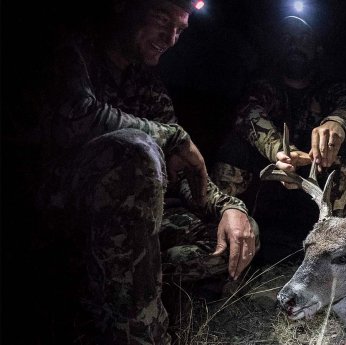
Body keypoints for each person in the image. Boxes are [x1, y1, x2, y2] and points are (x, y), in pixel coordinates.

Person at [28, 0, 259, 343]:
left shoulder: (148, 87)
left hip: (134, 228)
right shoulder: (72, 52)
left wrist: (230, 207)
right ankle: (139, 329)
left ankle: (126, 285)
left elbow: (181, 170)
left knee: (234, 236)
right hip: (62, 218)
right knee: (135, 150)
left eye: (180, 29)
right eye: (161, 18)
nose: (169, 37)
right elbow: (75, 118)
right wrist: (173, 135)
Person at [211, 16, 346, 260]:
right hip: (268, 188)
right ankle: (231, 240)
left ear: (317, 49)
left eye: (303, 38)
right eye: (288, 39)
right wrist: (281, 154)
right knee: (235, 146)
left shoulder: (329, 88)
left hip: (313, 195)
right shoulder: (264, 86)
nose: (295, 44)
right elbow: (249, 113)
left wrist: (338, 122)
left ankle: (332, 246)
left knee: (344, 148)